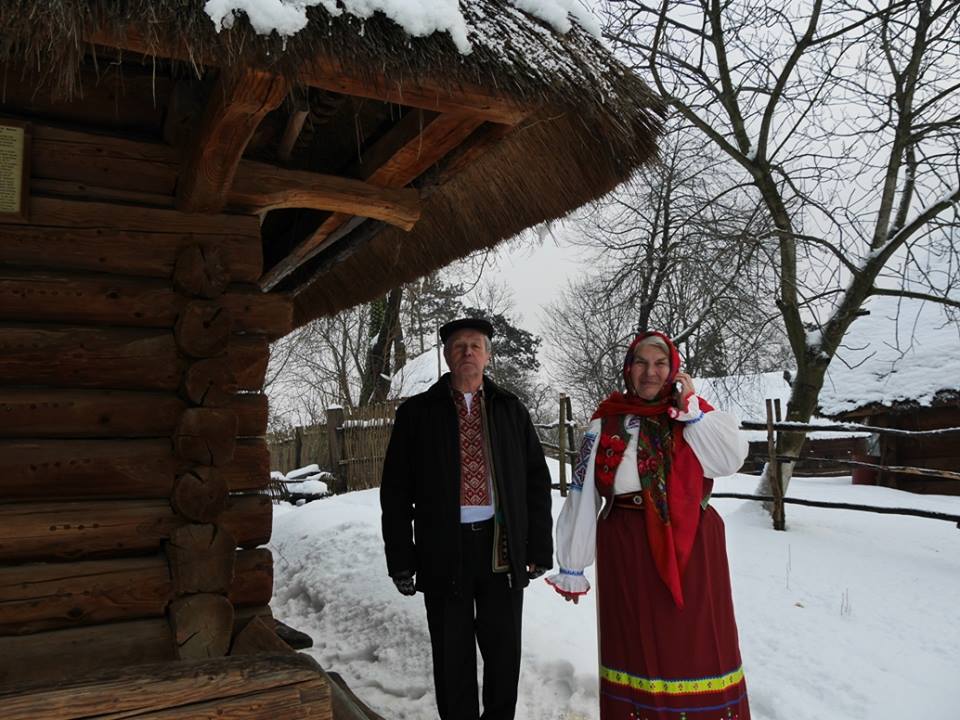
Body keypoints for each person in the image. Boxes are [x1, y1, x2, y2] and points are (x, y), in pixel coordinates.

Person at [546, 330, 751, 720]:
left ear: (673, 369)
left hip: (693, 546)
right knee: (636, 641)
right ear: (628, 369)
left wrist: (692, 412)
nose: (650, 372)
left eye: (659, 363)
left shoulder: (695, 415)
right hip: (627, 545)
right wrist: (573, 564)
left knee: (695, 643)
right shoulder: (605, 422)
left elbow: (729, 461)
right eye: (641, 362)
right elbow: (582, 490)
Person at [381, 317, 554, 720]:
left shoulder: (510, 410)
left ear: (488, 356)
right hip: (443, 549)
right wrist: (401, 559)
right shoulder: (417, 414)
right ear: (446, 356)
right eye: (459, 346)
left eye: (476, 345)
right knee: (451, 654)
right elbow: (396, 492)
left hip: (501, 547)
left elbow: (536, 482)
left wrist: (539, 548)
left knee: (503, 652)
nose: (468, 353)